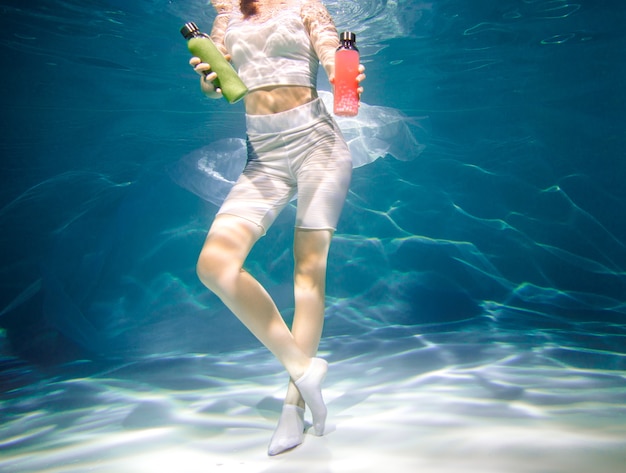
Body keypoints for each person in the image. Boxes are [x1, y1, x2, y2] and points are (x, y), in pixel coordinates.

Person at [188, 0, 365, 456]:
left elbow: (331, 53)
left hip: (316, 145)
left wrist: (344, 72)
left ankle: (293, 408)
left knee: (308, 274)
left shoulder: (307, 4)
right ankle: (306, 371)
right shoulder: (226, 13)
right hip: (263, 156)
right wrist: (208, 80)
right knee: (214, 265)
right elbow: (219, 86)